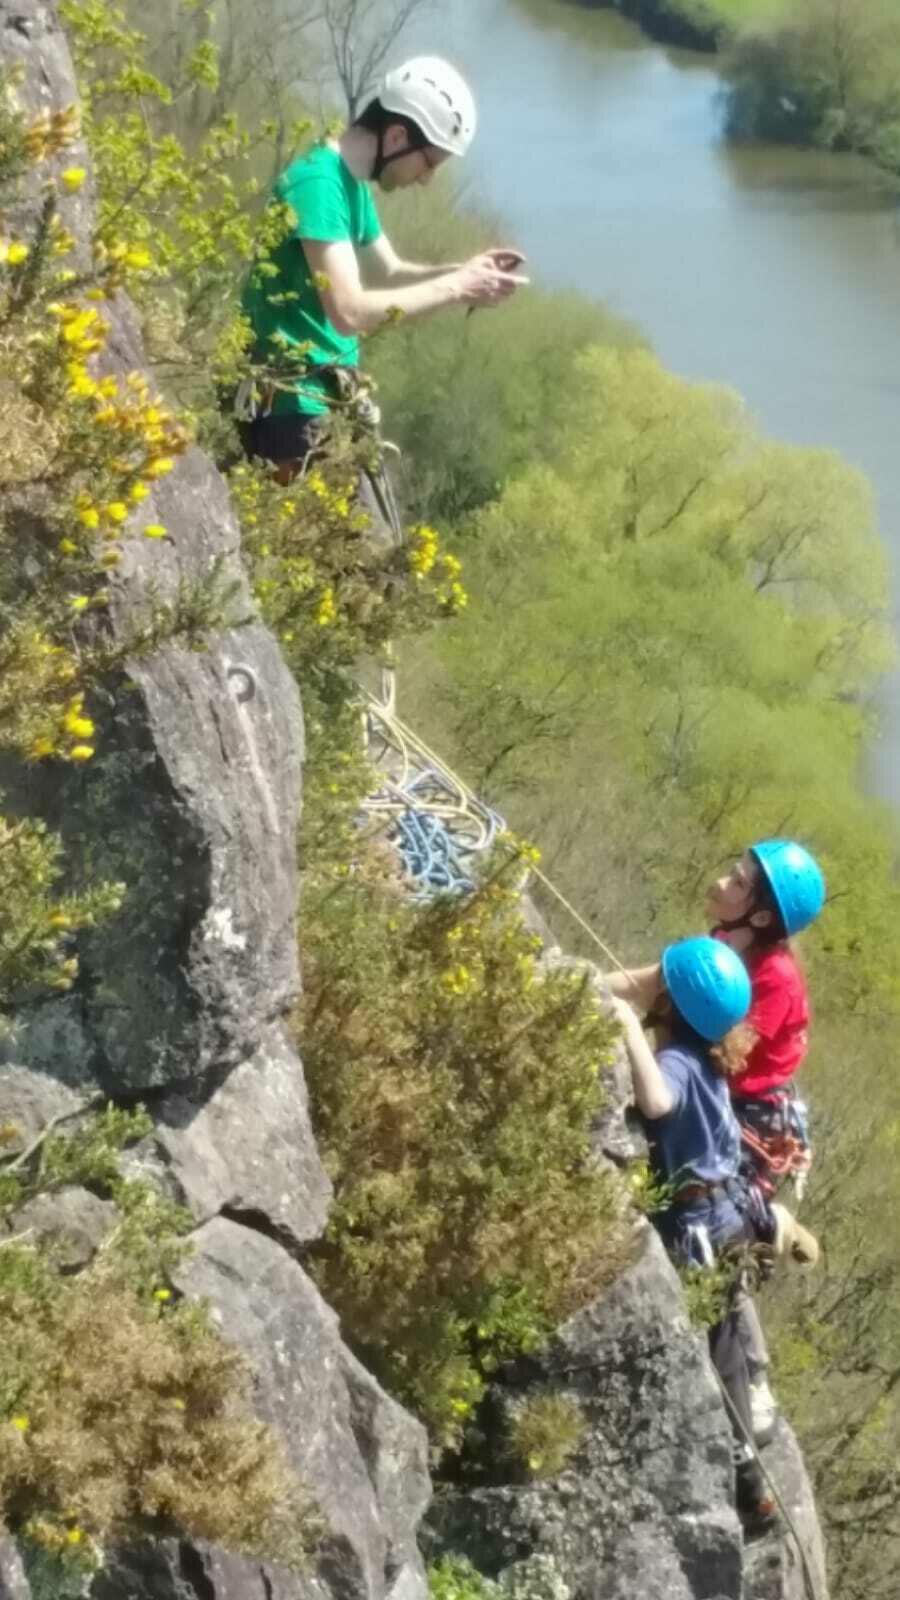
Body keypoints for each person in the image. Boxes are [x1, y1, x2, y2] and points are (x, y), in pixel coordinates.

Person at [604, 838, 825, 1445]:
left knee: (721, 1232)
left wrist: (651, 1047)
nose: (722, 882)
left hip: (752, 1110)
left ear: (761, 914)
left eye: (738, 880)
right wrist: (588, 984)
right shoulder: (725, 941)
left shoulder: (775, 979)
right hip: (723, 1086)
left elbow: (724, 1049)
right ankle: (766, 1222)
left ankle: (752, 1375)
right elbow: (658, 982)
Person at [238, 56, 527, 497]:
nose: (427, 180)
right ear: (396, 137)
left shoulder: (349, 185)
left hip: (322, 403)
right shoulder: (319, 185)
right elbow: (349, 311)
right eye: (429, 163)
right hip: (292, 410)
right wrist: (456, 288)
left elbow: (389, 272)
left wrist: (467, 272)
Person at [610, 936, 778, 1537]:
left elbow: (657, 1101)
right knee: (725, 1346)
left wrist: (627, 1026)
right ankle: (750, 1475)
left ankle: (748, 1484)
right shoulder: (709, 1057)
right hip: (726, 1216)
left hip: (696, 1228)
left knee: (714, 1353)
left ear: (670, 1004)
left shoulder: (679, 1061)